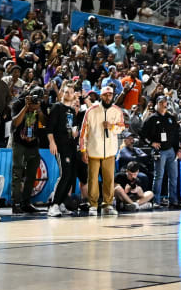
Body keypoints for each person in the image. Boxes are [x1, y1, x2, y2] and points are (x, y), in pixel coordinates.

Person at [79, 85, 125, 216]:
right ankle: (93, 205)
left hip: (110, 151)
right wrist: (83, 150)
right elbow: (83, 132)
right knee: (92, 179)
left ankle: (107, 204)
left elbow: (122, 128)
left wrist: (112, 127)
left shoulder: (117, 111)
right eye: (105, 95)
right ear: (101, 96)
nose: (108, 97)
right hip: (93, 151)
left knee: (109, 179)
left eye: (110, 95)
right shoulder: (91, 110)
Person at [11, 86, 47, 214]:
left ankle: (26, 203)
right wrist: (26, 107)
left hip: (33, 145)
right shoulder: (18, 103)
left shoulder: (40, 105)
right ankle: (15, 203)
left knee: (31, 174)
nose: (35, 101)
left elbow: (44, 123)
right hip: (19, 143)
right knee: (17, 173)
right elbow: (14, 123)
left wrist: (39, 110)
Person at [142, 95, 181, 208]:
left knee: (174, 176)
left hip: (171, 150)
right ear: (157, 104)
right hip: (160, 151)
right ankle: (156, 200)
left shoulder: (171, 117)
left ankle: (173, 200)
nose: (164, 105)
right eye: (162, 102)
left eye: (165, 102)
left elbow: (176, 135)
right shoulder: (152, 118)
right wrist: (151, 143)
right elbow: (142, 134)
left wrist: (178, 149)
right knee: (159, 176)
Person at [46, 82, 79, 217]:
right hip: (60, 146)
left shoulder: (72, 111)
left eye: (70, 92)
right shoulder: (57, 107)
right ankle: (53, 204)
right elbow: (49, 128)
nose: (68, 94)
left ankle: (61, 203)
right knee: (64, 174)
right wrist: (52, 143)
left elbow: (73, 129)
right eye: (65, 92)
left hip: (71, 146)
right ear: (62, 93)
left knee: (71, 176)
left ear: (74, 95)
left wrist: (75, 134)